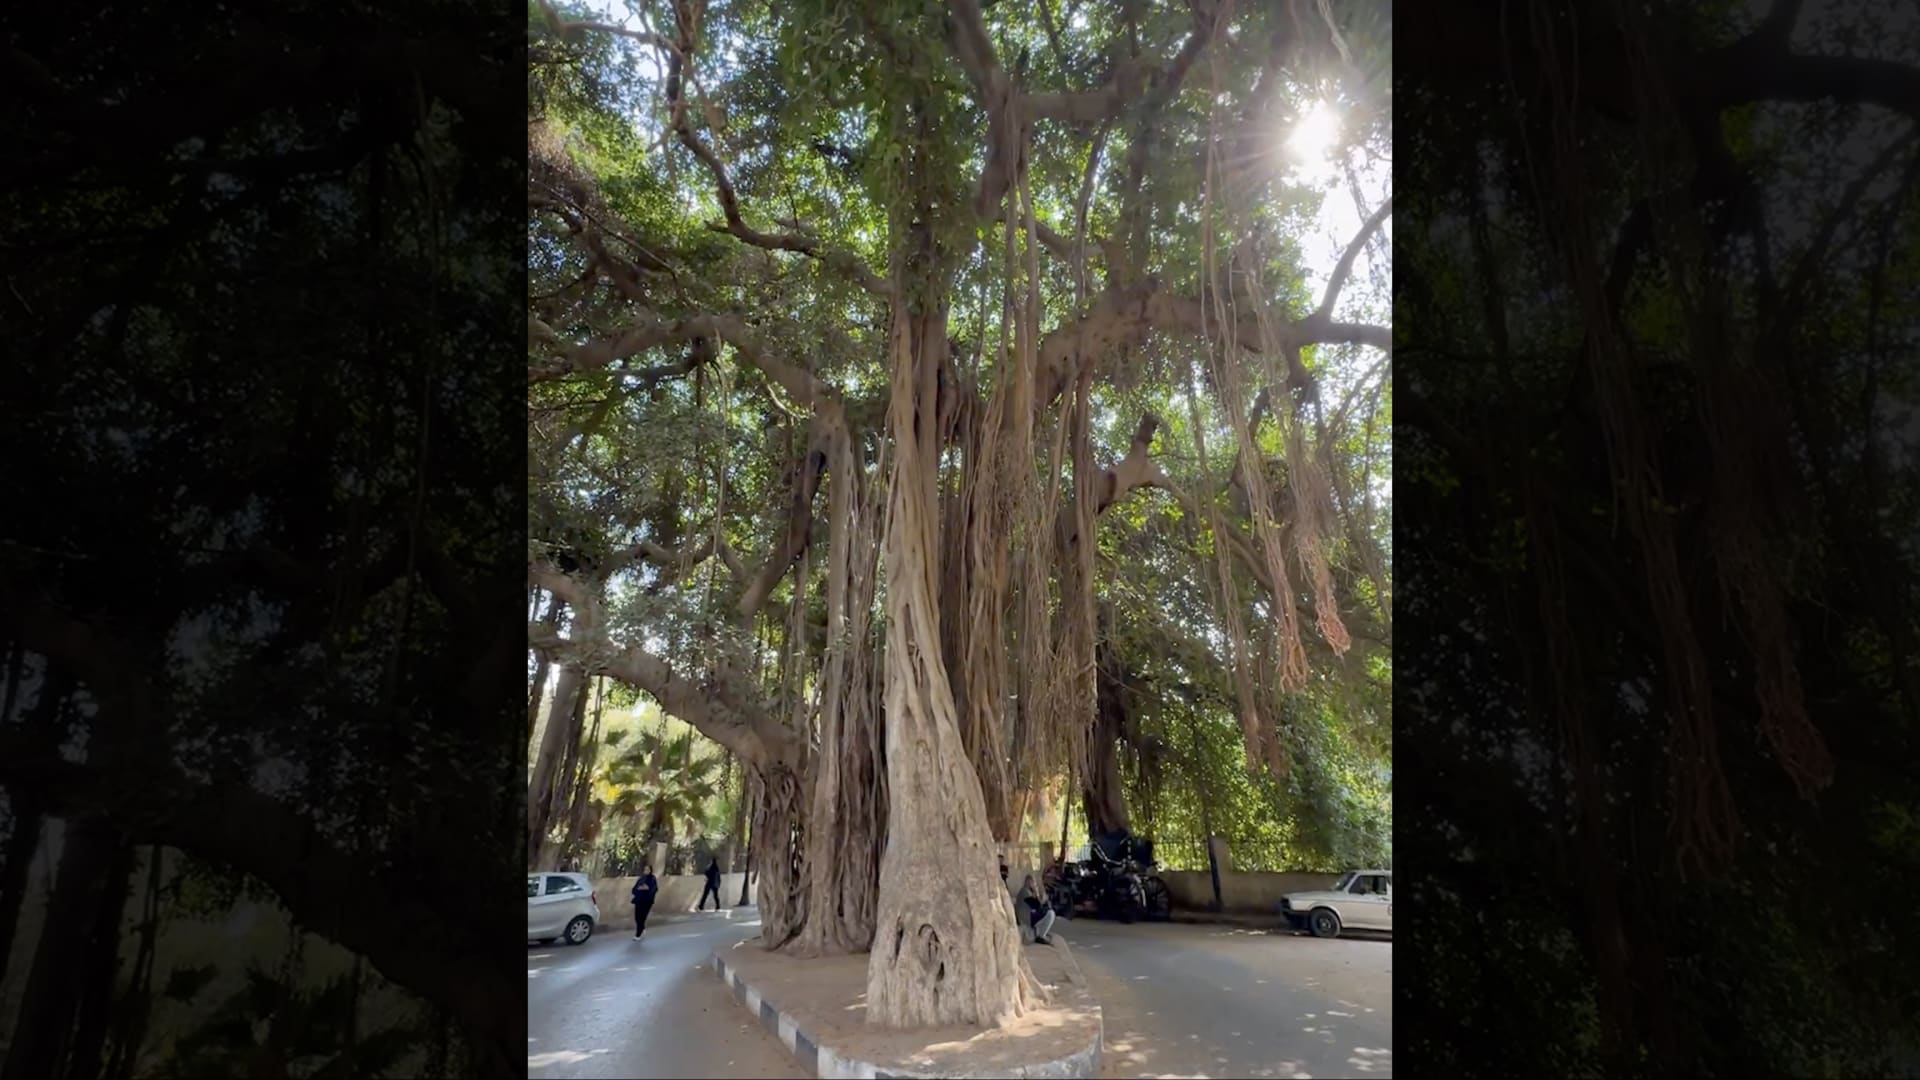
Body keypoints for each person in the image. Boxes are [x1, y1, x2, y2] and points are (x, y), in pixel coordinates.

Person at [1018, 873, 1056, 946]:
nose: (1035, 885)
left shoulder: (1027, 891)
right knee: (1050, 913)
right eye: (1034, 882)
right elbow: (1038, 906)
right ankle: (1041, 936)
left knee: (1047, 911)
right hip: (1026, 918)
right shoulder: (1025, 892)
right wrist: (1039, 895)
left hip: (1028, 915)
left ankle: (1040, 933)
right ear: (1029, 882)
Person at [630, 864, 658, 940]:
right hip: (639, 900)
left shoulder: (652, 879)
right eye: (645, 869)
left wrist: (647, 888)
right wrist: (639, 889)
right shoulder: (641, 879)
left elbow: (654, 889)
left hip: (647, 902)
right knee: (637, 917)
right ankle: (642, 929)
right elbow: (634, 889)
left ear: (650, 870)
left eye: (648, 869)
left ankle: (638, 935)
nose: (646, 871)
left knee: (642, 918)